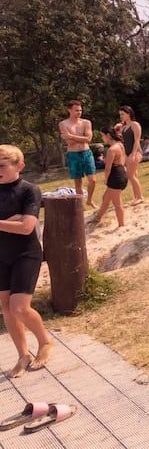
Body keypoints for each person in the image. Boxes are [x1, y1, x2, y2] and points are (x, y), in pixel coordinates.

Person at [0, 144, 53, 378]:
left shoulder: (29, 190)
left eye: (2, 166)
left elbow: (26, 227)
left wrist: (10, 223)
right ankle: (23, 355)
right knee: (6, 307)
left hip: (26, 253)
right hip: (1, 255)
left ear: (19, 166)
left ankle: (44, 342)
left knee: (19, 307)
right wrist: (9, 221)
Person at [58, 100, 97, 208]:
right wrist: (76, 138)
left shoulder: (86, 123)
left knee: (92, 180)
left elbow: (88, 139)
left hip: (86, 153)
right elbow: (69, 142)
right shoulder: (63, 124)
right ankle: (80, 205)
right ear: (69, 110)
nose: (79, 112)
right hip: (73, 154)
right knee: (78, 182)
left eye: (80, 110)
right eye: (76, 110)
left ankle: (89, 199)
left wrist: (71, 136)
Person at [90, 126, 128, 227]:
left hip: (116, 175)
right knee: (106, 198)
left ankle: (122, 224)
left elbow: (107, 168)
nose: (102, 138)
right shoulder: (120, 145)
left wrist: (106, 179)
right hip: (121, 172)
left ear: (108, 135)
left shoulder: (112, 149)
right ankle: (98, 218)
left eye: (103, 136)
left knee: (117, 202)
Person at [118, 105, 145, 205]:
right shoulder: (123, 127)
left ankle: (140, 197)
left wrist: (133, 154)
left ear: (129, 114)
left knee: (130, 175)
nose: (121, 116)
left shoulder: (135, 125)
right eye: (120, 114)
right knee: (134, 175)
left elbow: (137, 140)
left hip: (136, 152)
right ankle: (136, 196)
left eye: (122, 114)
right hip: (127, 153)